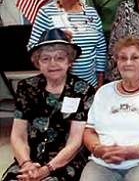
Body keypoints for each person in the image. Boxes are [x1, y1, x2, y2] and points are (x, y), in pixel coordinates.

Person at [2, 28, 94, 181]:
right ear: (37, 62)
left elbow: (75, 141)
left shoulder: (83, 90)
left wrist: (47, 169)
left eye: (59, 58)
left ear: (69, 61)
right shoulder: (26, 87)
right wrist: (26, 164)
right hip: (29, 161)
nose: (53, 64)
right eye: (45, 59)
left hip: (66, 162)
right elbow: (18, 135)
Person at [80, 37, 139, 181]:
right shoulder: (103, 92)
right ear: (117, 63)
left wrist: (137, 151)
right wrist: (98, 149)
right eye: (123, 58)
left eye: (135, 58)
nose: (128, 63)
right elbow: (89, 131)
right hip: (104, 163)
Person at [27, 0, 106, 88]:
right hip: (58, 85)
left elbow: (101, 50)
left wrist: (100, 83)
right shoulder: (46, 13)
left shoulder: (91, 12)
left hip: (90, 86)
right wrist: (55, 39)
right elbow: (32, 49)